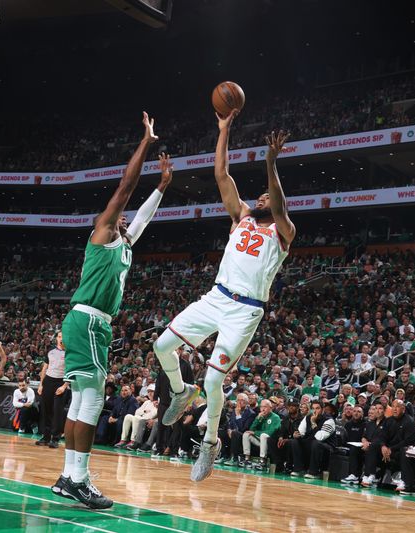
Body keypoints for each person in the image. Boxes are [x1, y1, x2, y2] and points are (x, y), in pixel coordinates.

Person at [154, 116, 296, 482]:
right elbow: (221, 175)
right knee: (161, 345)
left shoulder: (284, 229)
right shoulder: (242, 216)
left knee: (215, 382)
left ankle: (210, 443)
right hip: (216, 297)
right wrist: (222, 130)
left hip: (245, 311)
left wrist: (270, 162)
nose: (262, 198)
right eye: (261, 195)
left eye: (268, 196)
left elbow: (278, 203)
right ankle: (182, 390)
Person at [51, 112, 169, 509]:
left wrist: (163, 188)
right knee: (93, 399)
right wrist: (145, 144)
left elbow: (144, 220)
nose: (123, 216)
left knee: (83, 400)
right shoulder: (102, 233)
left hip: (92, 324)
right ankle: (79, 479)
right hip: (87, 320)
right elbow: (125, 186)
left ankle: (70, 476)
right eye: (119, 213)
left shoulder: (124, 242)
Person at [36, 331, 68, 448]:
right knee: (46, 410)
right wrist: (41, 384)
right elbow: (45, 368)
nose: (61, 339)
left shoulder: (69, 353)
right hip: (48, 381)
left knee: (57, 412)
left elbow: (70, 372)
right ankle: (46, 437)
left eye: (63, 337)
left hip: (60, 382)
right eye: (59, 337)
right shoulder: (50, 351)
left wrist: (64, 386)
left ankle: (55, 438)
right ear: (56, 339)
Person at [241, 399, 281, 469]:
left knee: (263, 435)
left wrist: (255, 433)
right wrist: (257, 419)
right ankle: (246, 458)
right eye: (261, 407)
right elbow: (251, 429)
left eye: (265, 407)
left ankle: (263, 461)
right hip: (260, 440)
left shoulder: (276, 417)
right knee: (246, 434)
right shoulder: (260, 416)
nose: (262, 409)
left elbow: (271, 432)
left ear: (270, 408)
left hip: (270, 441)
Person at [115, 384, 157, 449]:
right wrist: (145, 411)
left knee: (136, 417)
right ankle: (123, 440)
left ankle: (133, 441)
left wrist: (142, 413)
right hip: (139, 418)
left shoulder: (157, 402)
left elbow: (152, 415)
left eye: (152, 392)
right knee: (128, 416)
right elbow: (137, 412)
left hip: (146, 421)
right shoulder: (147, 402)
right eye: (148, 392)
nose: (149, 393)